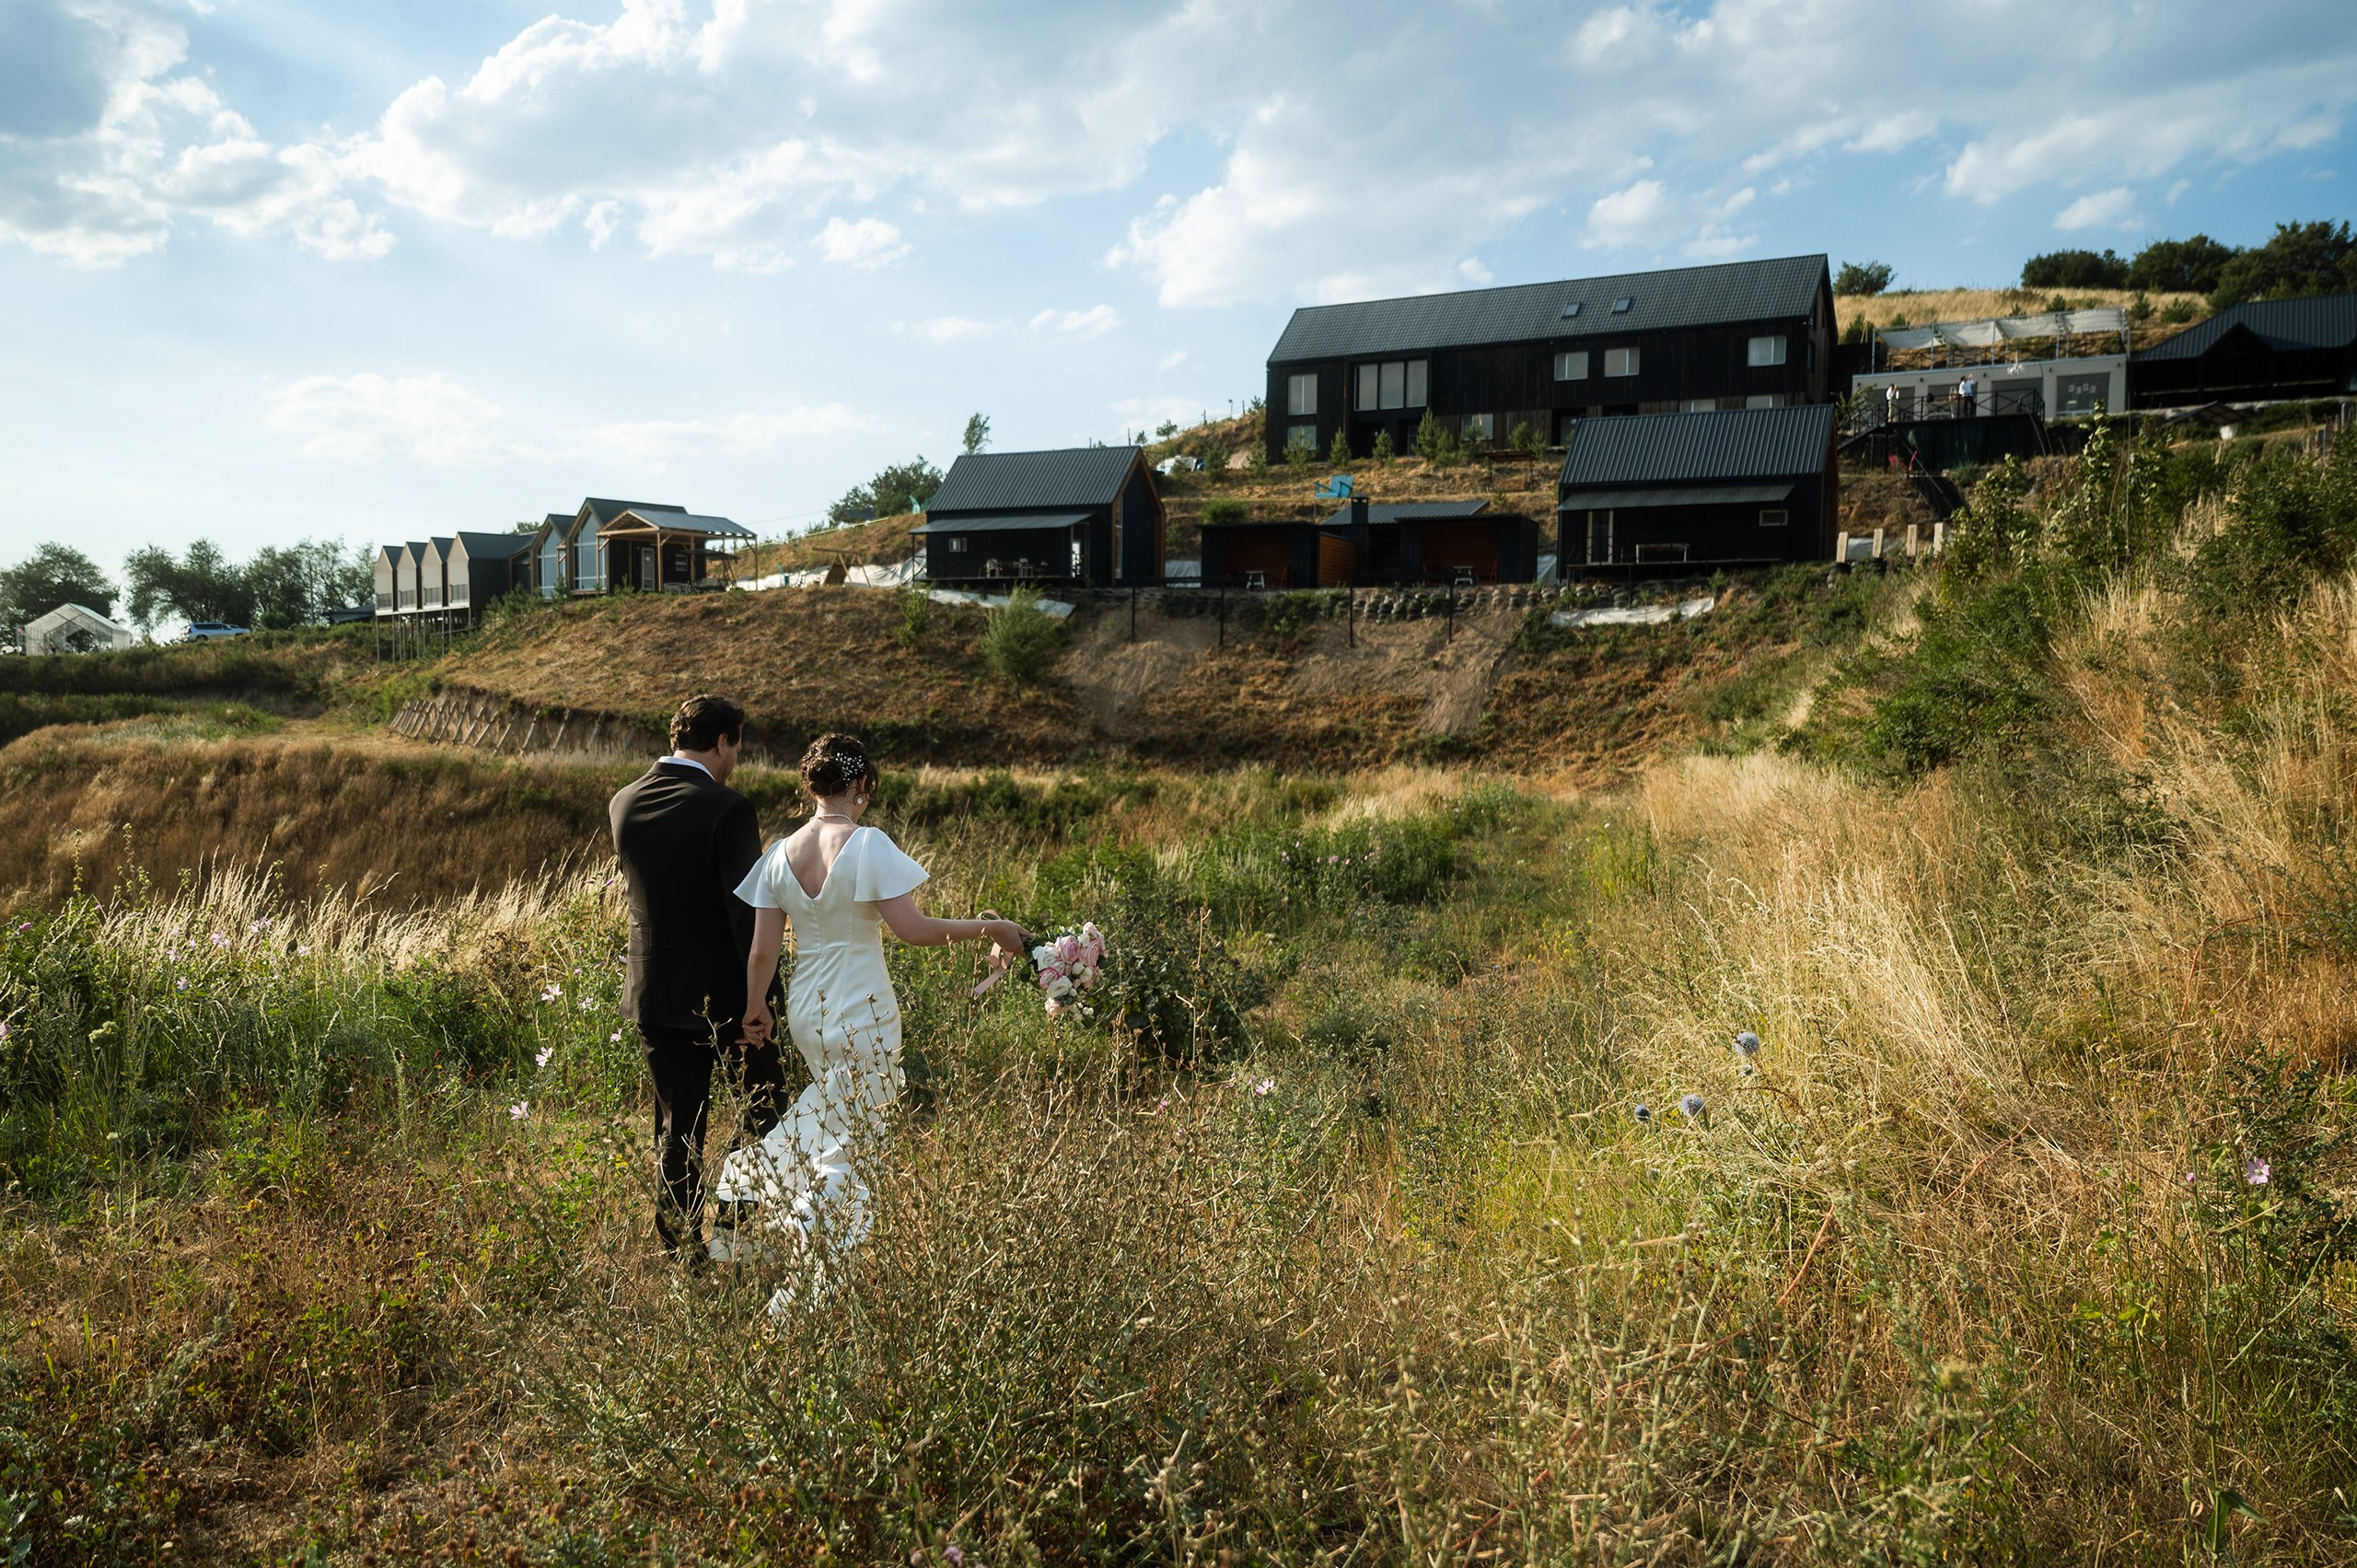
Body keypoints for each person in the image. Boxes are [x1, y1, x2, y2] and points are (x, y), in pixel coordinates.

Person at [714, 734, 1023, 1307]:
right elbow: (913, 929)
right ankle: (808, 1260)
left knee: (836, 1119)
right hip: (863, 1006)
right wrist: (995, 929)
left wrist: (756, 1008)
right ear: (861, 784)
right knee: (851, 1138)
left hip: (807, 1007)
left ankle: (783, 1216)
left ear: (810, 785)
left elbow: (762, 952)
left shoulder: (779, 854)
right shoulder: (867, 843)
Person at [607, 693, 785, 1257]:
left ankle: (682, 1252)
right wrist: (761, 998)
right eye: (736, 747)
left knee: (676, 1128)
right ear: (723, 742)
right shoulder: (728, 808)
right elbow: (745, 912)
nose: (735, 759)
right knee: (765, 1110)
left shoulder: (623, 801)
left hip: (654, 993)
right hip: (726, 999)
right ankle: (733, 1233)